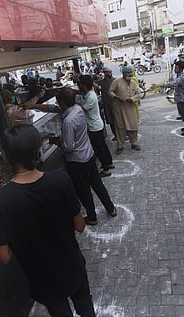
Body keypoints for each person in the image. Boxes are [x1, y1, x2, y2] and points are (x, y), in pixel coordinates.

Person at [0, 124, 96, 317]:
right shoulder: (61, 181)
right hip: (71, 266)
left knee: (60, 312)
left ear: (5, 156)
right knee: (86, 308)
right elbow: (80, 226)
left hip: (42, 278)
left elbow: (4, 257)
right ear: (38, 151)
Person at [53, 87, 117, 225]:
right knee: (97, 184)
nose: (58, 103)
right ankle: (111, 208)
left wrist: (59, 142)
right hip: (89, 155)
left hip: (77, 161)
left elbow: (68, 147)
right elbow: (54, 109)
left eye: (58, 100)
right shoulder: (78, 109)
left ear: (62, 102)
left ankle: (92, 217)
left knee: (83, 190)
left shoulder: (68, 121)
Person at [78, 75, 114, 177]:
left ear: (84, 85)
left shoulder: (90, 97)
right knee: (102, 145)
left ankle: (106, 169)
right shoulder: (90, 93)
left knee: (99, 149)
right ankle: (109, 162)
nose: (79, 86)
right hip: (97, 124)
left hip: (94, 126)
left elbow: (82, 109)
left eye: (80, 84)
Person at [108, 65, 142, 154]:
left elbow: (139, 94)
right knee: (120, 128)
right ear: (123, 73)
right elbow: (110, 92)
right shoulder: (116, 82)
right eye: (128, 73)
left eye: (131, 73)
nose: (130, 75)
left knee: (133, 126)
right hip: (119, 109)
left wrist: (133, 98)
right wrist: (117, 97)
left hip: (130, 109)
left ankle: (134, 143)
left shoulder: (133, 83)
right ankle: (120, 146)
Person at [152, 60, 184, 135]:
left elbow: (173, 83)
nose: (175, 70)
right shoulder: (178, 75)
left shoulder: (182, 77)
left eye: (176, 68)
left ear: (181, 69)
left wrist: (159, 85)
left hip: (182, 98)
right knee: (182, 114)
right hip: (179, 98)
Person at [95, 66, 117, 140]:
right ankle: (116, 135)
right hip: (107, 105)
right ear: (105, 73)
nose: (110, 73)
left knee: (118, 120)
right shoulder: (101, 82)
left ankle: (122, 135)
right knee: (110, 121)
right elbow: (93, 83)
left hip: (115, 104)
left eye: (110, 71)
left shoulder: (115, 81)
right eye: (108, 72)